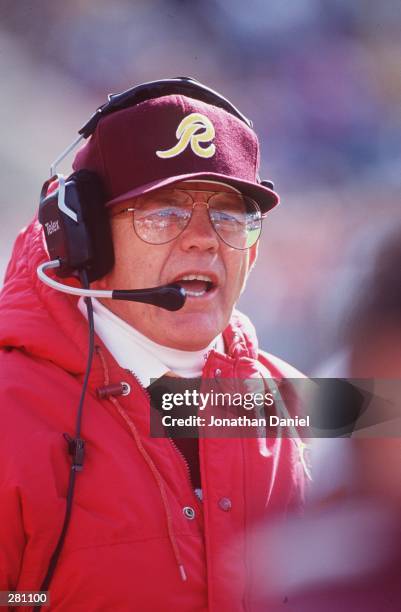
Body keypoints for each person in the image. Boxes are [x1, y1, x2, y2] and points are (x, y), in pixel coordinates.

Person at [0, 78, 306, 611]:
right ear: (83, 242)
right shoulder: (8, 410)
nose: (204, 237)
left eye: (230, 215)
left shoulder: (307, 403)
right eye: (164, 212)